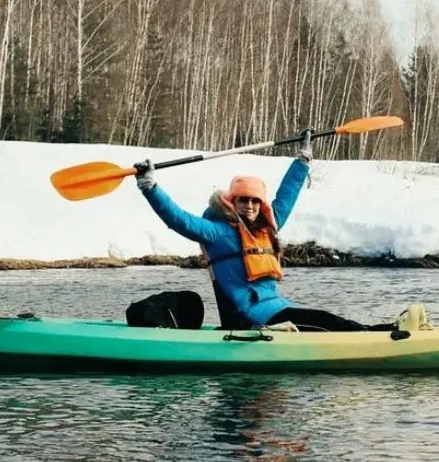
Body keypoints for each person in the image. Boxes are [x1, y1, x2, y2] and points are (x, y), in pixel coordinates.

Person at [134, 129, 394, 332]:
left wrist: (302, 160)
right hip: (247, 319)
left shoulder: (267, 227)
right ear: (232, 203)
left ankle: (376, 331)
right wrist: (150, 187)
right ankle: (376, 336)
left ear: (261, 205)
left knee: (323, 320)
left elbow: (287, 196)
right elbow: (179, 220)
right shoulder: (217, 232)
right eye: (243, 201)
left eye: (254, 201)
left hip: (276, 310)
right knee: (322, 320)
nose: (249, 206)